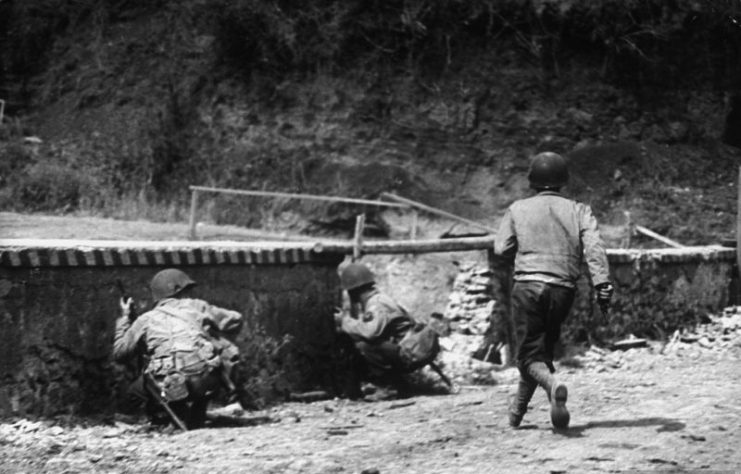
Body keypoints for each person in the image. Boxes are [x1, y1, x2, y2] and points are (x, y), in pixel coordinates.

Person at [494, 152, 614, 430]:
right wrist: (602, 284)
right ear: (563, 181)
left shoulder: (517, 209)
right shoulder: (579, 210)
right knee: (539, 353)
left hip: (527, 287)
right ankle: (516, 416)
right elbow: (594, 248)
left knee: (527, 356)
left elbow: (501, 248)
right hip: (563, 290)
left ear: (532, 180)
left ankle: (552, 385)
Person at [113, 268, 244, 429]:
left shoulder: (145, 319)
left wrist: (126, 318)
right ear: (177, 290)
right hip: (205, 381)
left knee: (135, 391)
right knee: (218, 351)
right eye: (186, 291)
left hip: (167, 385)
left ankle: (156, 416)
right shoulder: (197, 306)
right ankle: (199, 413)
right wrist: (210, 332)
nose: (188, 295)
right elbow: (236, 320)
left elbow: (120, 353)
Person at [334, 262, 421, 398]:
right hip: (405, 349)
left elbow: (370, 333)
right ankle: (398, 385)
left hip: (407, 353)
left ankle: (388, 387)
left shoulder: (377, 304)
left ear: (354, 291)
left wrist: (344, 321)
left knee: (365, 346)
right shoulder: (377, 300)